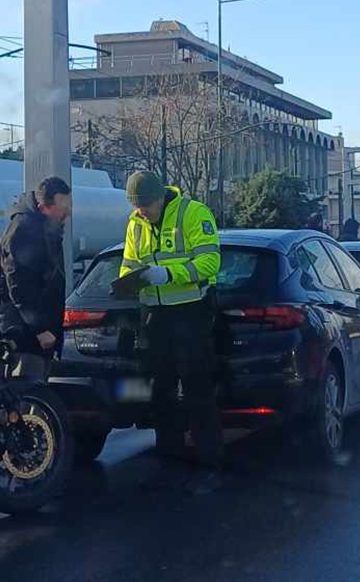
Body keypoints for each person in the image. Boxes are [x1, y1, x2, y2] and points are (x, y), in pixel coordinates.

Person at [120, 171, 223, 495]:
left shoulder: (193, 213)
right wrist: (128, 281)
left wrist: (167, 274)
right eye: (136, 206)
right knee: (159, 390)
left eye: (146, 205)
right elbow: (128, 263)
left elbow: (210, 262)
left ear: (161, 197)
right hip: (155, 316)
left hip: (190, 312)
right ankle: (171, 461)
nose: (141, 212)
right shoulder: (135, 223)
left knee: (196, 388)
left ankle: (208, 463)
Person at [0, 176, 72, 355]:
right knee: (27, 379)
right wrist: (39, 329)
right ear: (42, 208)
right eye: (62, 208)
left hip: (42, 330)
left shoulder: (46, 227)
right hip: (26, 334)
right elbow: (19, 286)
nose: (67, 213)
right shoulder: (24, 230)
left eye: (68, 206)